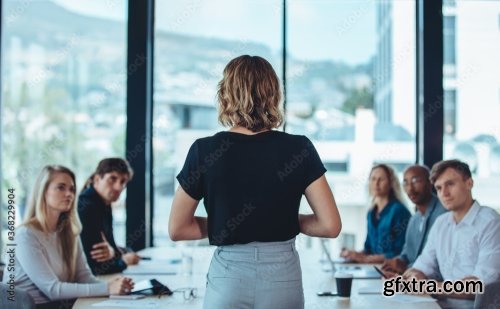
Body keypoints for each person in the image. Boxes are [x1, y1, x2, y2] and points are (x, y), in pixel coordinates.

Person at [168, 55, 342, 309]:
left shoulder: (204, 150)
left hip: (228, 277)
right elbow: (330, 226)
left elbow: (178, 229)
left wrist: (226, 222)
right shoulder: (299, 148)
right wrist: (281, 219)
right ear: (273, 94)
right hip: (282, 277)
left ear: (225, 95)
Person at [2, 165, 133, 306]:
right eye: (61, 187)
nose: (69, 194)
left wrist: (115, 285)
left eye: (72, 189)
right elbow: (52, 289)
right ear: (43, 191)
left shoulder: (69, 232)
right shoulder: (25, 235)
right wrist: (107, 288)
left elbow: (84, 277)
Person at [403, 159, 500, 299]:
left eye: (450, 184)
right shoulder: (441, 223)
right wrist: (412, 277)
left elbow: (479, 285)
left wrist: (430, 287)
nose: (444, 193)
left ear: (469, 183)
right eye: (439, 188)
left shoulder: (491, 223)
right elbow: (421, 267)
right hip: (442, 303)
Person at [78, 158, 140, 275]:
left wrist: (115, 253)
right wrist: (124, 261)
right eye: (112, 179)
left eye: (123, 182)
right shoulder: (87, 207)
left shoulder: (103, 204)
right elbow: (96, 266)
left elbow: (112, 248)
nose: (118, 187)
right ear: (97, 179)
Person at [381, 165, 447, 274]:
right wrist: (398, 262)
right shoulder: (414, 219)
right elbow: (406, 254)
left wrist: (406, 268)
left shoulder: (444, 213)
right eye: (405, 183)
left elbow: (436, 261)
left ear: (430, 183)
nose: (410, 188)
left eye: (415, 181)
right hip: (412, 280)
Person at [341, 164, 411, 263]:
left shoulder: (399, 211)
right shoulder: (371, 212)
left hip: (391, 269)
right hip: (372, 267)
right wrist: (354, 254)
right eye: (373, 179)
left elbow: (401, 252)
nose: (376, 183)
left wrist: (366, 259)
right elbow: (368, 249)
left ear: (391, 183)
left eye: (381, 179)